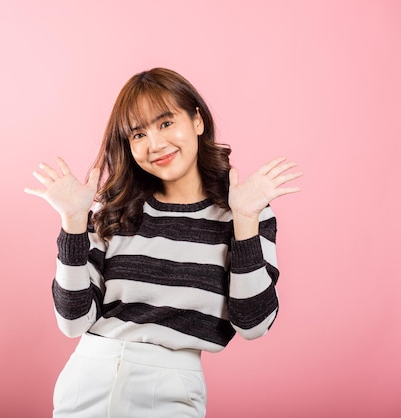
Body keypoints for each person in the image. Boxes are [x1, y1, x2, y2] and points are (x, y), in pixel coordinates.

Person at [24, 68, 302, 418]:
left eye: (166, 123)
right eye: (138, 133)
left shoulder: (245, 210)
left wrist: (244, 219)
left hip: (172, 389)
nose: (155, 144)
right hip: (89, 378)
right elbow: (73, 321)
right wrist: (73, 223)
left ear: (197, 120)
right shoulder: (112, 210)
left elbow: (254, 324)